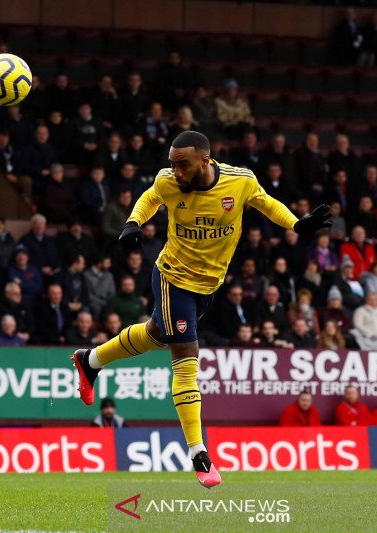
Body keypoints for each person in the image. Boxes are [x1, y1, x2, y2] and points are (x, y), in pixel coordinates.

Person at [72, 130, 331, 489]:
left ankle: (91, 361)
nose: (175, 172)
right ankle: (198, 452)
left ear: (206, 161)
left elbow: (267, 203)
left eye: (183, 165)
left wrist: (296, 224)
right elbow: (149, 197)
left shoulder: (240, 182)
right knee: (185, 352)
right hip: (172, 277)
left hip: (209, 285)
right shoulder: (168, 182)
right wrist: (134, 222)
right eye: (172, 165)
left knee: (155, 334)